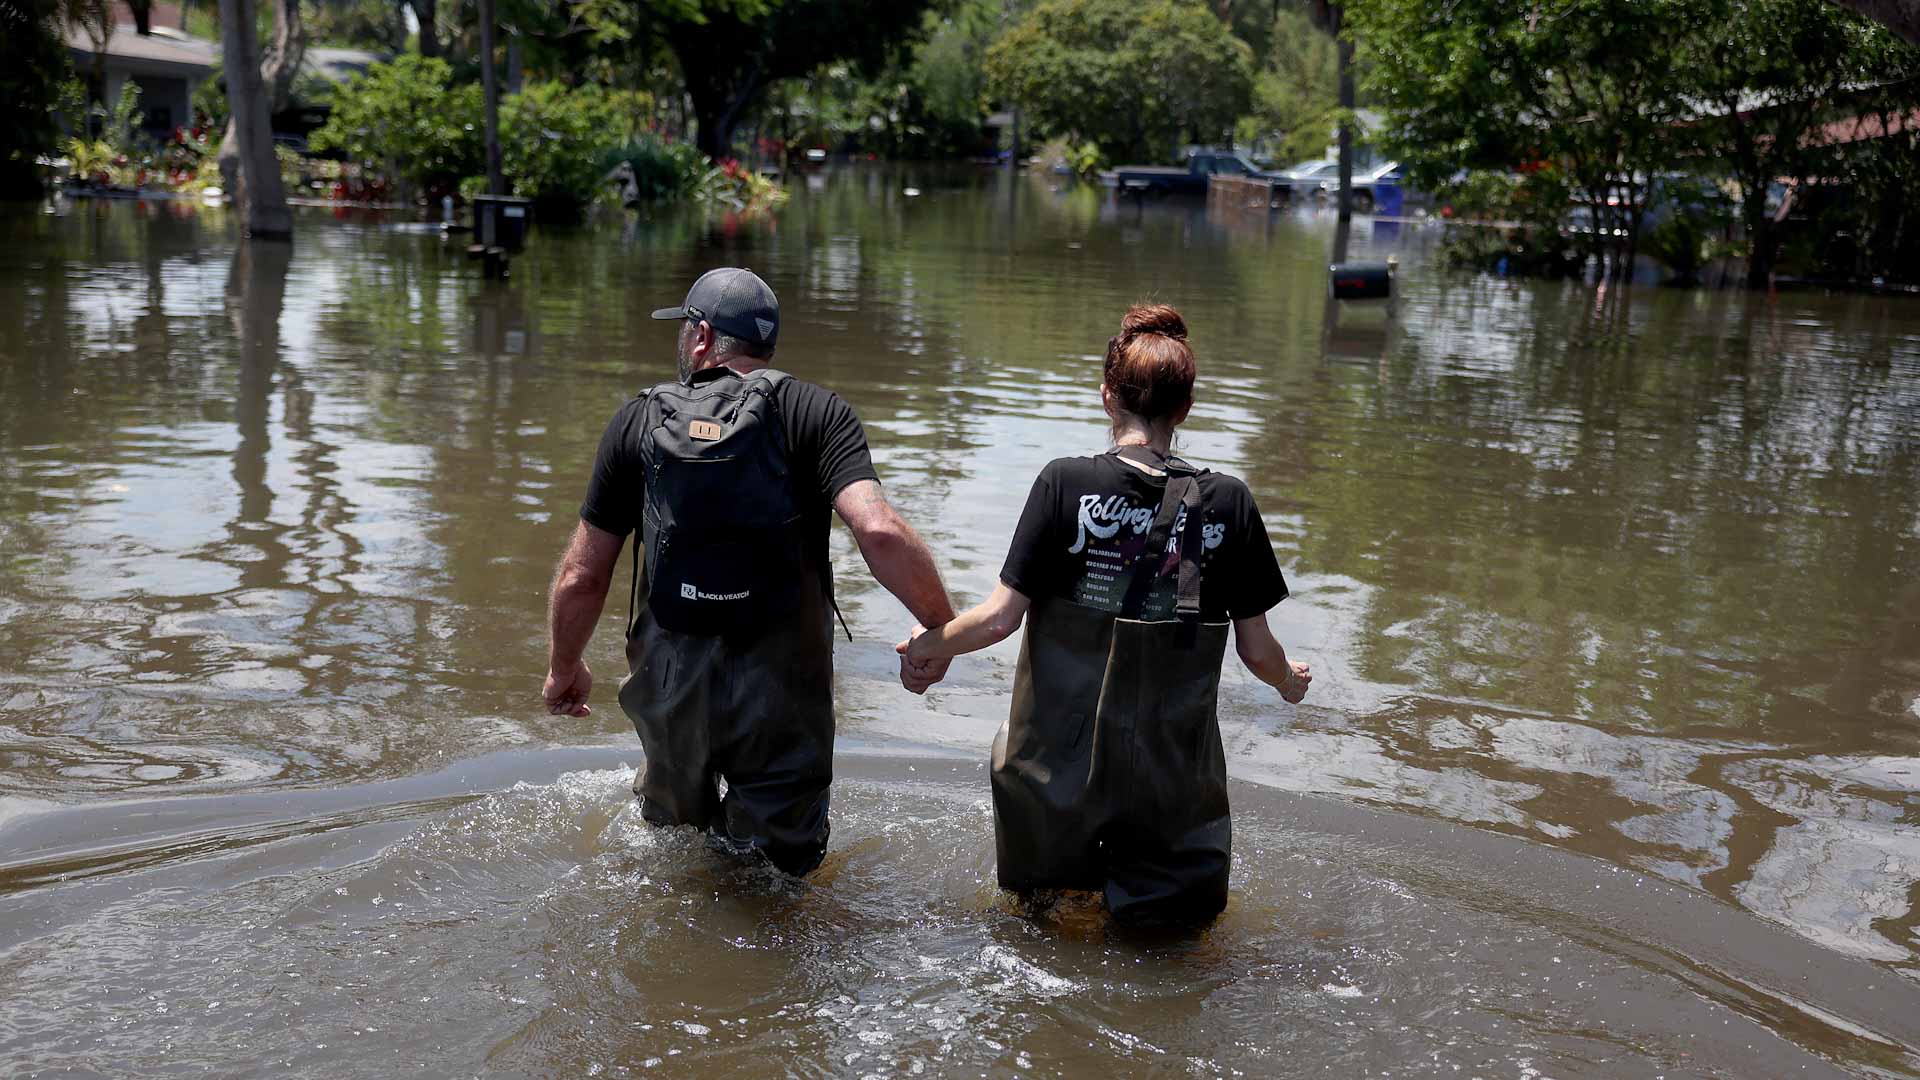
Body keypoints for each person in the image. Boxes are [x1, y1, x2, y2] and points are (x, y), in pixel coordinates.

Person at [897, 303, 1310, 925]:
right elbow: (1256, 650)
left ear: (1107, 396)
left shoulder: (1063, 484)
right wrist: (1290, 681)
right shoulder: (1229, 502)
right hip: (1170, 772)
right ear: (1186, 407)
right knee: (1170, 953)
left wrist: (930, 645)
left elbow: (999, 619)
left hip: (1055, 767)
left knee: (1041, 931)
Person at [544, 267, 956, 876]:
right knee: (778, 878)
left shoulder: (637, 420)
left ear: (703, 336)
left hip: (671, 680)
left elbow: (584, 575)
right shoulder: (816, 412)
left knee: (669, 861)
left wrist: (564, 665)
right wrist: (941, 628)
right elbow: (879, 530)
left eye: (684, 329)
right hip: (782, 686)